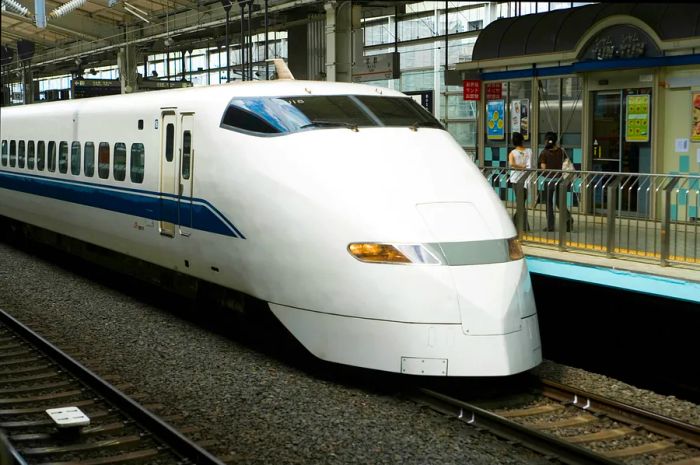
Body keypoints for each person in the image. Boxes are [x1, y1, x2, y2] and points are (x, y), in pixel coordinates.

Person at [537, 131, 572, 232]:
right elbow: (566, 163)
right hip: (560, 180)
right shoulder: (561, 151)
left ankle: (550, 226)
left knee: (549, 204)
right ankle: (568, 219)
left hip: (549, 181)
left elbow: (543, 168)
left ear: (546, 140)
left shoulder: (544, 153)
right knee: (559, 203)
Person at [508, 132, 531, 231]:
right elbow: (530, 165)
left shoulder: (512, 153)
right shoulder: (529, 151)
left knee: (520, 202)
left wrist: (520, 167)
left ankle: (519, 224)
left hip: (516, 179)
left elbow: (511, 164)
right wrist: (524, 168)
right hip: (526, 179)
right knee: (521, 202)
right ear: (522, 140)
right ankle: (521, 224)